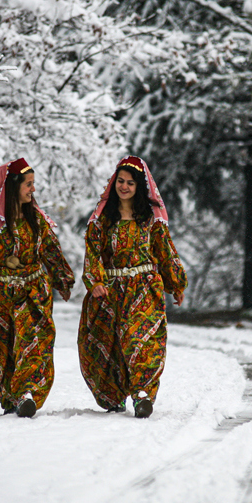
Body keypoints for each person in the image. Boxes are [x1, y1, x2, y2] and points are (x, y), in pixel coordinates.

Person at [0, 158, 74, 418]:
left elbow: (51, 251)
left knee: (33, 343)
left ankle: (27, 393)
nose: (33, 190)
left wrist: (63, 279)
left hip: (32, 294)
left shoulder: (38, 221)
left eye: (34, 184)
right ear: (12, 187)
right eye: (28, 184)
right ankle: (10, 396)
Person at [78, 155, 187, 418]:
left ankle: (142, 395)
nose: (124, 186)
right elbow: (92, 253)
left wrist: (175, 282)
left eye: (130, 182)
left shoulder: (151, 219)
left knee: (142, 340)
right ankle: (113, 398)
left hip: (144, 288)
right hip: (110, 292)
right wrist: (95, 282)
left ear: (139, 187)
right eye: (120, 181)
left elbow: (165, 251)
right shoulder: (102, 219)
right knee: (107, 346)